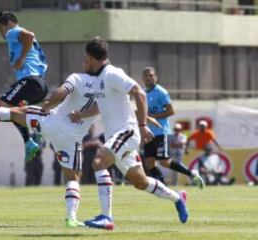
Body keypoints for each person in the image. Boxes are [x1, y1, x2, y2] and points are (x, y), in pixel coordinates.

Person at [68, 38, 188, 230]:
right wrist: (81, 114)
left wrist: (141, 124)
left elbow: (139, 93)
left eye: (86, 58)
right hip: (116, 136)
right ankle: (178, 197)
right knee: (140, 182)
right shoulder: (98, 79)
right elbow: (100, 105)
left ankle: (106, 217)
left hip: (127, 131)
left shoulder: (112, 74)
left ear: (91, 57)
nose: (85, 61)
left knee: (98, 162)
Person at [0, 71, 97, 227]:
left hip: (52, 122)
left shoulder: (78, 78)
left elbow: (61, 92)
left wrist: (48, 105)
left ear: (89, 61)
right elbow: (99, 109)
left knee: (15, 112)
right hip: (71, 137)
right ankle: (71, 218)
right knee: (73, 177)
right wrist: (81, 115)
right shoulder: (105, 89)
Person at [0, 11, 48, 162]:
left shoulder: (12, 32)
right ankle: (35, 134)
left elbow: (29, 35)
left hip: (30, 81)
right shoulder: (16, 40)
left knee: (3, 106)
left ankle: (31, 137)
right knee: (16, 110)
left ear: (9, 24)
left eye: (0, 29)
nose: (1, 34)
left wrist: (22, 58)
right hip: (39, 85)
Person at [142, 67, 204, 189]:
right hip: (149, 133)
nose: (148, 78)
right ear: (142, 78)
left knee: (164, 162)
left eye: (151, 75)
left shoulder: (161, 92)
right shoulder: (143, 93)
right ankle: (163, 188)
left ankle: (192, 174)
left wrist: (152, 116)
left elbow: (171, 111)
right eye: (146, 75)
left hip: (161, 132)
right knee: (149, 163)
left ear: (156, 77)